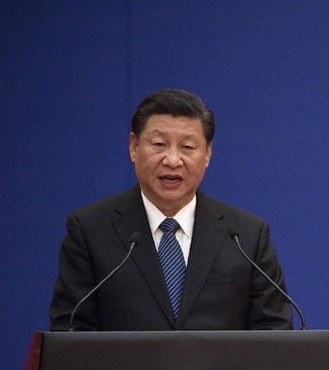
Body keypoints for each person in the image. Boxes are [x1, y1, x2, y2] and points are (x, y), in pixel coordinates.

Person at [49, 88, 292, 331]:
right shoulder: (90, 231)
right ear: (134, 147)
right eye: (159, 144)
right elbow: (71, 333)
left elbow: (275, 333)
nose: (173, 160)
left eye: (187, 147)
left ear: (207, 154)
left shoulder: (246, 236)